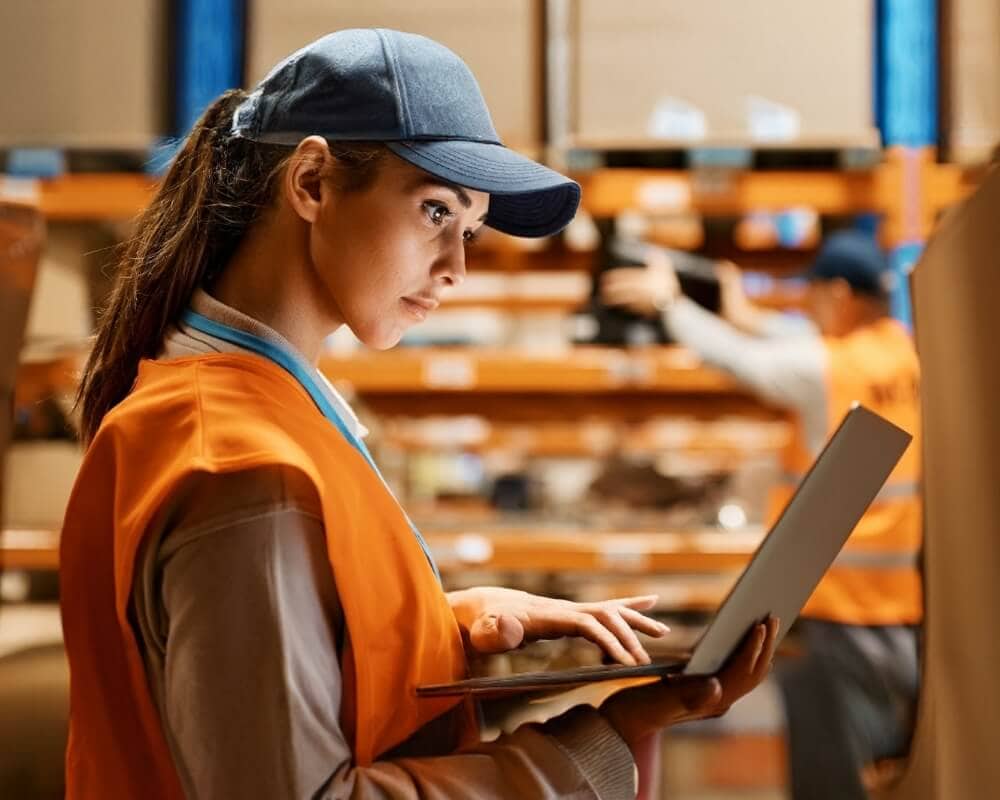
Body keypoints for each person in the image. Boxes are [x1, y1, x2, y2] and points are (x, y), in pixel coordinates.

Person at [59, 30, 779, 800]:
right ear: (311, 182)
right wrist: (592, 749)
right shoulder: (241, 463)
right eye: (435, 210)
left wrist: (444, 628)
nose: (457, 267)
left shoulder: (262, 412)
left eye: (468, 229)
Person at [601, 230, 922, 800]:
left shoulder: (828, 366)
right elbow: (800, 342)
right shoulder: (902, 351)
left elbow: (751, 361)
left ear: (839, 293)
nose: (805, 308)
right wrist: (742, 311)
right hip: (895, 604)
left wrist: (669, 304)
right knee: (881, 764)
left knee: (832, 775)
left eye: (813, 296)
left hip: (835, 601)